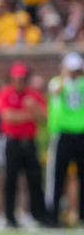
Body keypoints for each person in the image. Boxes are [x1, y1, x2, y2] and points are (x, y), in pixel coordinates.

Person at [0, 62, 48, 229]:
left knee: (34, 179)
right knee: (10, 180)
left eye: (23, 79)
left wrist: (33, 109)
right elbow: (8, 117)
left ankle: (38, 215)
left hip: (29, 141)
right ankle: (9, 217)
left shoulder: (32, 95)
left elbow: (44, 117)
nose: (20, 82)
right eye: (17, 78)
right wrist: (29, 114)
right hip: (12, 141)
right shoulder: (6, 94)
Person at [46, 52, 84, 225]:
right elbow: (55, 92)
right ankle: (53, 215)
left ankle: (81, 215)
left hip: (81, 133)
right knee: (57, 176)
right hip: (63, 134)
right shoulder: (57, 82)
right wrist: (65, 76)